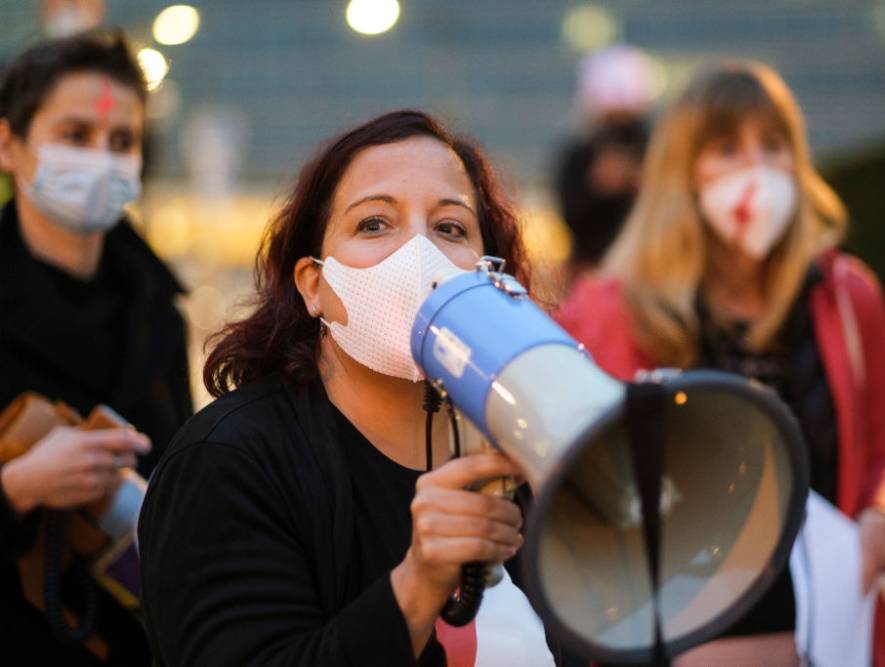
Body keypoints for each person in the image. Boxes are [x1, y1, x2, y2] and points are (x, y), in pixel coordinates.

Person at [138, 110, 561, 666]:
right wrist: (419, 582)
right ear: (313, 285)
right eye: (374, 224)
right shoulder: (229, 462)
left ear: (489, 271)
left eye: (450, 228)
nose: (420, 255)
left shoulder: (527, 447)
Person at [557, 62, 885, 666]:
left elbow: (884, 451)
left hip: (828, 625)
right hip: (671, 629)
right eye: (726, 148)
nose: (757, 168)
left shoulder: (849, 297)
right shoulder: (608, 309)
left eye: (773, 146)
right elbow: (586, 482)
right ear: (681, 174)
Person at [0, 31, 191, 664]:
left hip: (142, 639)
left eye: (121, 141)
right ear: (9, 144)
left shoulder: (160, 310)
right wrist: (19, 487)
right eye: (75, 135)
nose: (102, 159)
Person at [554, 45, 652, 282]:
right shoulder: (579, 155)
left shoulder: (655, 151)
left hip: (648, 271)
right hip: (592, 272)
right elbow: (571, 216)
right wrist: (596, 187)